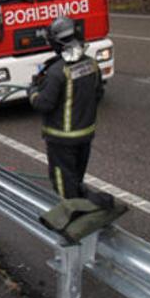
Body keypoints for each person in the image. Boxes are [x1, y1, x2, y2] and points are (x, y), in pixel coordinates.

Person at [28, 16, 104, 199]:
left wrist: (32, 91)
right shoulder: (92, 64)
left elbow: (44, 104)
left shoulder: (56, 72)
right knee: (76, 176)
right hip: (85, 134)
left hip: (62, 139)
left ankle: (73, 217)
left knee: (63, 183)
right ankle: (81, 205)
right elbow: (97, 94)